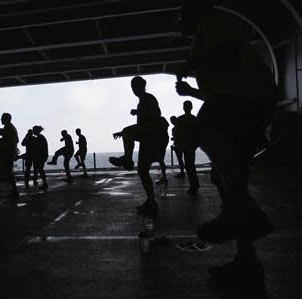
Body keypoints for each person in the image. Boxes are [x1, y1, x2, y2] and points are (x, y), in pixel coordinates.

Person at [175, 0, 276, 290]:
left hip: (242, 103)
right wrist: (192, 91)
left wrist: (191, 63)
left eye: (182, 15)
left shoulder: (210, 25)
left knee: (201, 131)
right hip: (248, 105)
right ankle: (248, 263)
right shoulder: (214, 32)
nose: (180, 21)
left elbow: (227, 56)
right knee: (227, 178)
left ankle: (244, 210)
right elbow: (222, 87)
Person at [109, 76, 168, 218]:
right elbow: (143, 123)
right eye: (132, 87)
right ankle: (151, 201)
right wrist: (124, 132)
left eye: (136, 87)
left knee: (128, 131)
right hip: (148, 139)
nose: (134, 90)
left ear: (142, 86)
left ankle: (127, 160)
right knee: (142, 171)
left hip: (155, 137)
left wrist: (136, 117)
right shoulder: (142, 101)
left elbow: (155, 115)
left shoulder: (148, 98)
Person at [175, 100, 200, 195]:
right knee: (190, 166)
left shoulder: (180, 119)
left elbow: (177, 134)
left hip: (185, 146)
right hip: (190, 146)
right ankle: (194, 185)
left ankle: (194, 186)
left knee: (189, 166)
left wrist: (179, 144)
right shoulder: (194, 119)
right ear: (191, 107)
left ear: (184, 108)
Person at [0, 113, 19, 199]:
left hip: (9, 153)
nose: (1, 120)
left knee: (9, 171)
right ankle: (14, 190)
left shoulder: (9, 128)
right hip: (10, 152)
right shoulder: (9, 127)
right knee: (9, 171)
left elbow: (12, 141)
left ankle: (14, 190)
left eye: (2, 118)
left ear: (6, 119)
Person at [32, 125, 49, 190]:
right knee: (40, 170)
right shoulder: (40, 137)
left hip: (40, 157)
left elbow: (38, 148)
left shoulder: (39, 138)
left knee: (40, 170)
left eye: (34, 130)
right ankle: (45, 184)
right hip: (42, 156)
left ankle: (45, 184)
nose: (33, 131)